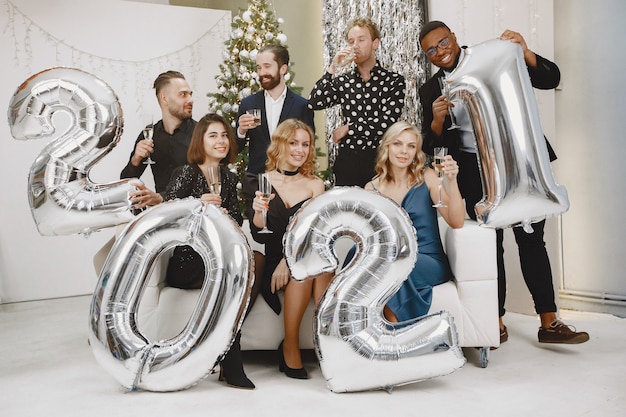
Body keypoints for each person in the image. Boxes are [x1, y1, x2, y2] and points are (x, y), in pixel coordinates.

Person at [418, 21, 589, 345]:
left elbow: (550, 78)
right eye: (432, 50)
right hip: (472, 171)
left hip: (520, 161)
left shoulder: (493, 56)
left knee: (531, 239)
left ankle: (549, 321)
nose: (440, 51)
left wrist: (525, 52)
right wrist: (437, 121)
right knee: (489, 246)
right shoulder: (430, 90)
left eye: (443, 42)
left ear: (454, 37)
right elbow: (433, 148)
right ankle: (493, 321)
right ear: (427, 57)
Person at [132, 113, 255, 390]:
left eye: (224, 135)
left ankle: (221, 348)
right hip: (189, 260)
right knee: (229, 277)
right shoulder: (186, 172)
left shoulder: (228, 176)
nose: (221, 141)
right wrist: (197, 204)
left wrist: (223, 215)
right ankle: (230, 361)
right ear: (201, 140)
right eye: (213, 135)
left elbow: (235, 221)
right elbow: (168, 215)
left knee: (252, 262)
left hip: (219, 258)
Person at [243, 119, 329, 379]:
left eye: (305, 144)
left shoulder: (315, 185)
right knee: (306, 272)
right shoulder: (259, 181)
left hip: (303, 255)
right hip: (274, 263)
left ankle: (325, 347)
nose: (300, 150)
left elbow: (315, 234)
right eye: (293, 143)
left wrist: (288, 261)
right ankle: (291, 346)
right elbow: (259, 233)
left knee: (319, 269)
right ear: (280, 144)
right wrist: (258, 213)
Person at [364, 121, 464, 322]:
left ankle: (393, 329)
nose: (404, 151)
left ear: (417, 151)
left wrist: (451, 181)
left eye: (411, 146)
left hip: (426, 259)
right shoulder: (371, 189)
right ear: (387, 147)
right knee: (364, 257)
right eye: (397, 144)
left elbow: (456, 221)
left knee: (388, 264)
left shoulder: (427, 177)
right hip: (390, 257)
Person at [309, 17, 406, 187]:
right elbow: (314, 102)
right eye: (351, 41)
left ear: (375, 43)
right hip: (348, 162)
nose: (355, 45)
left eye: (361, 40)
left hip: (381, 160)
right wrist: (332, 69)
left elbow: (388, 122)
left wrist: (349, 128)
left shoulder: (393, 81)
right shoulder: (343, 82)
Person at [121, 70, 196, 209]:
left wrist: (160, 197)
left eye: (190, 94)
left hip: (193, 212)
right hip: (162, 214)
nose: (190, 100)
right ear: (165, 98)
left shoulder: (201, 133)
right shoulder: (149, 134)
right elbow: (125, 182)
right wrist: (136, 160)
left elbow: (204, 181)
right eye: (183, 94)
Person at [236, 45, 315, 174]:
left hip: (291, 180)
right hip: (257, 179)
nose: (262, 73)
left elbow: (309, 147)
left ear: (283, 68)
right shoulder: (248, 104)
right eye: (259, 68)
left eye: (267, 66)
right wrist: (241, 131)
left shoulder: (302, 106)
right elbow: (235, 149)